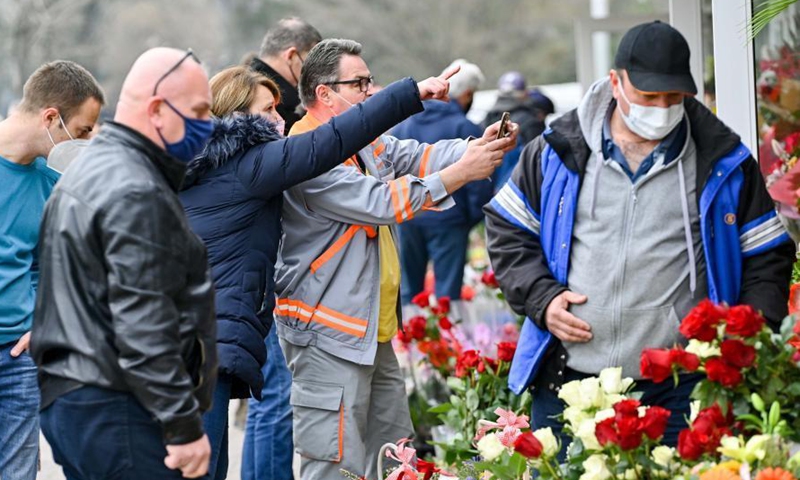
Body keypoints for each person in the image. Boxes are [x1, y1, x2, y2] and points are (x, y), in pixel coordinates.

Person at [484, 21, 795, 457]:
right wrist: (542, 298)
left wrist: (740, 340)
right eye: (649, 97)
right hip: (569, 383)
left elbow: (768, 257)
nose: (662, 108)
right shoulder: (556, 150)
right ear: (616, 82)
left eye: (674, 98)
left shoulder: (723, 160)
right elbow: (507, 229)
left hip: (679, 390)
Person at [181, 64, 451, 480]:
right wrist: (409, 93)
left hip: (201, 334)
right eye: (269, 109)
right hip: (207, 337)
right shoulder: (250, 164)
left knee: (210, 464)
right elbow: (330, 142)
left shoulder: (216, 164)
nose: (279, 118)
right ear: (238, 116)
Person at [275, 38, 517, 480]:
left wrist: (473, 146)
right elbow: (383, 202)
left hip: (369, 332)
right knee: (332, 464)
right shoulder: (307, 151)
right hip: (328, 335)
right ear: (325, 93)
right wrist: (463, 171)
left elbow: (417, 156)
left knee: (395, 456)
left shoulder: (360, 141)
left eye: (370, 81)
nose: (372, 91)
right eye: (360, 82)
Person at [31, 48, 218, 480]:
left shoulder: (95, 168)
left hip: (82, 399)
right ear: (156, 110)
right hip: (119, 404)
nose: (209, 124)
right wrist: (183, 426)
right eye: (199, 111)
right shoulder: (135, 188)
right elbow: (145, 319)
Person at [0, 60, 103, 480]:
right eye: (81, 131)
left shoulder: (52, 182)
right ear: (50, 118)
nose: (86, 142)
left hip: (18, 358)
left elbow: (53, 266)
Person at [392, 59, 492, 314]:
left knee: (408, 289)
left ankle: (411, 346)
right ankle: (445, 348)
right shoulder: (465, 128)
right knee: (447, 294)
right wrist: (470, 217)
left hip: (409, 216)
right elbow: (479, 181)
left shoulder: (405, 124)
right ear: (467, 93)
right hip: (450, 219)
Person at [249, 17, 321, 134]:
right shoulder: (265, 101)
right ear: (291, 56)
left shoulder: (242, 86)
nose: (314, 72)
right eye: (311, 63)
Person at [483, 71, 545, 188]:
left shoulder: (486, 120)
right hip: (518, 190)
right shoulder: (532, 122)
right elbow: (537, 162)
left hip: (487, 192)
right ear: (524, 93)